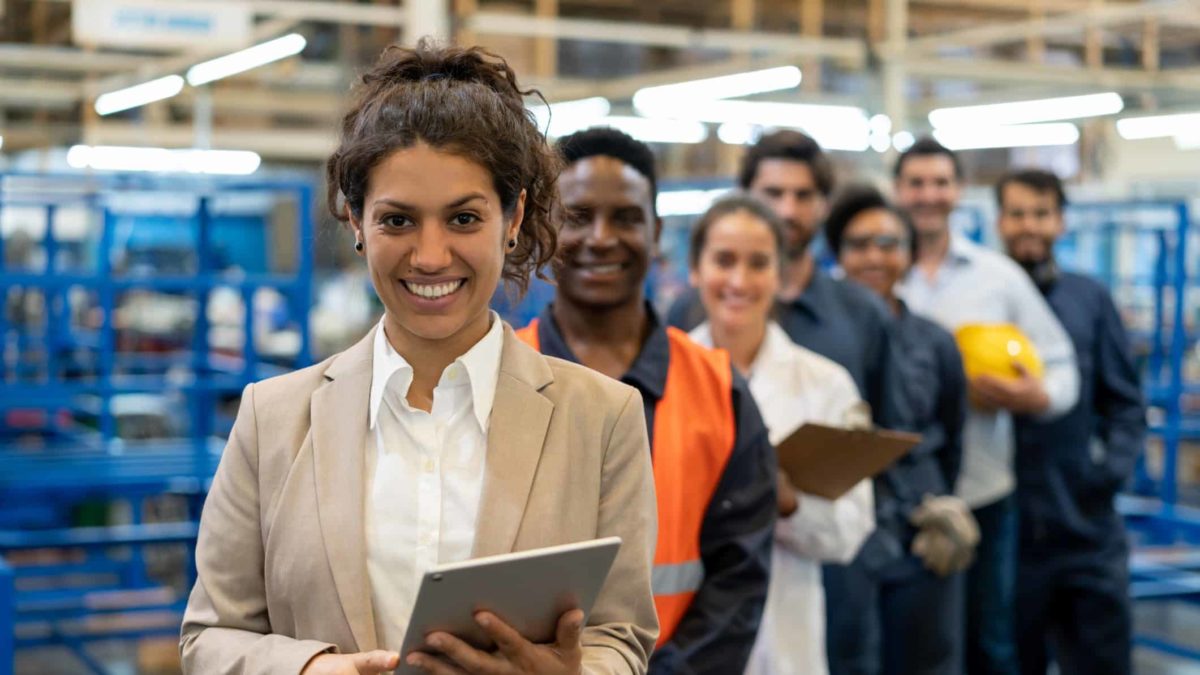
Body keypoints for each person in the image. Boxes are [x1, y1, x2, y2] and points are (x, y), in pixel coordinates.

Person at [180, 42, 659, 675]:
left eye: (463, 218)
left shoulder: (602, 418)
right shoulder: (273, 419)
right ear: (355, 220)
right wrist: (310, 670)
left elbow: (621, 638)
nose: (430, 256)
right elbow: (209, 637)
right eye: (398, 220)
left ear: (512, 218)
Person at [515, 127, 777, 675]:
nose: (602, 238)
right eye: (578, 215)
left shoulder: (721, 391)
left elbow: (738, 581)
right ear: (543, 228)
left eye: (627, 218)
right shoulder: (498, 380)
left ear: (656, 233)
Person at [893, 138, 1079, 675]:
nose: (928, 195)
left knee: (989, 642)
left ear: (958, 191)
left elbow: (1062, 363)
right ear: (898, 191)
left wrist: (1037, 397)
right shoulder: (874, 270)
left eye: (940, 182)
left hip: (983, 492)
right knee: (905, 646)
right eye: (916, 183)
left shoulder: (998, 278)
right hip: (894, 497)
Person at [685, 193, 875, 675]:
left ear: (781, 275)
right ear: (695, 269)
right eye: (723, 260)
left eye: (758, 263)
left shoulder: (825, 385)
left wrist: (787, 501)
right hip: (682, 638)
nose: (738, 281)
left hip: (788, 643)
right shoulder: (660, 379)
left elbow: (850, 533)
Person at [994, 169, 1144, 675]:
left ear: (1060, 222)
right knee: (1010, 659)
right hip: (1007, 533)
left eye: (1040, 213)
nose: (1028, 226)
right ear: (999, 222)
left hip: (1085, 528)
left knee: (1102, 661)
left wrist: (1105, 476)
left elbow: (1124, 402)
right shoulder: (984, 302)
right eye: (1017, 214)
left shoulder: (1089, 301)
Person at [825, 184, 976, 675]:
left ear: (910, 255)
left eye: (888, 243)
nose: (874, 257)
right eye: (858, 244)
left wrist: (937, 500)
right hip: (839, 539)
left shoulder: (935, 343)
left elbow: (953, 434)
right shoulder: (815, 340)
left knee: (926, 660)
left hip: (919, 533)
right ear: (837, 253)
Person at [666, 131, 906, 429]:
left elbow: (888, 432)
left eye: (803, 196)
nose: (787, 210)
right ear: (744, 195)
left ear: (824, 204)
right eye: (773, 193)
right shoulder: (689, 311)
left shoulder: (863, 314)